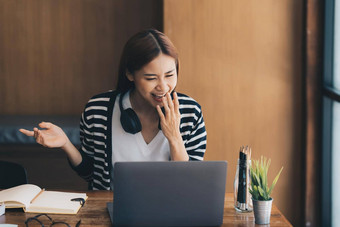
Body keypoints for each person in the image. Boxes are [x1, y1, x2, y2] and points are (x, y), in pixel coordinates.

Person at [19, 29, 207, 190]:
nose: (163, 87)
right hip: (112, 211)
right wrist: (66, 144)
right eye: (151, 78)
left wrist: (174, 137)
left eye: (169, 75)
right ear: (130, 74)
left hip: (170, 213)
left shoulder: (191, 113)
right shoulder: (98, 110)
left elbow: (188, 184)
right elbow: (90, 174)